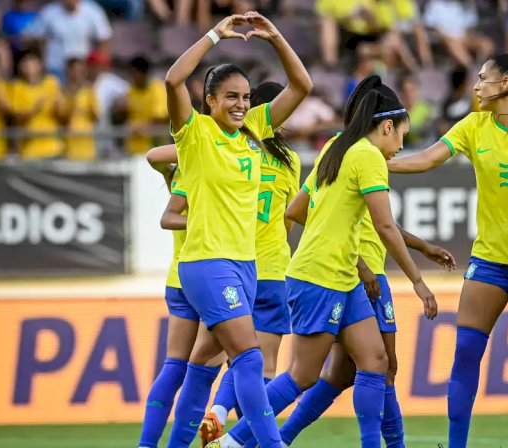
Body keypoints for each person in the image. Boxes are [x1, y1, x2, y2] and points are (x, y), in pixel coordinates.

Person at [208, 77, 438, 448]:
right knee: (302, 375)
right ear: (388, 126)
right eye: (402, 136)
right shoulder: (369, 157)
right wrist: (418, 281)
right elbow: (384, 225)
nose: (400, 146)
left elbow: (297, 208)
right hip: (320, 276)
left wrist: (354, 259)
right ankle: (232, 443)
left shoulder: (337, 146)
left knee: (375, 360)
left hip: (342, 275)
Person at [386, 54, 508, 448]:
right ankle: (456, 445)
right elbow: (427, 159)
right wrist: (376, 160)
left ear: (507, 83)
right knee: (467, 351)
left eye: (482, 78)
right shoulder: (473, 125)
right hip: (489, 256)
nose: (475, 85)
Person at [163, 11, 312, 448]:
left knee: (204, 365)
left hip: (245, 267)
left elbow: (302, 86)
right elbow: (173, 81)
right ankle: (270, 445)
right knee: (248, 358)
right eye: (230, 96)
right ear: (209, 100)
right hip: (208, 263)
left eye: (246, 97)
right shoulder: (194, 134)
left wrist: (275, 37)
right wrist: (214, 34)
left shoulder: (254, 131)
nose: (241, 105)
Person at [197, 81, 302, 446]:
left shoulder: (236, 149)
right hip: (272, 268)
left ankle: (220, 411)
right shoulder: (290, 161)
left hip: (230, 265)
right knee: (264, 366)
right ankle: (241, 439)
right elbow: (290, 218)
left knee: (238, 356)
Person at [137, 151, 200, 448]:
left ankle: (146, 445)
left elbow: (154, 157)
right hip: (210, 278)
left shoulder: (182, 172)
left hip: (177, 278)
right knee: (221, 369)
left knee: (175, 365)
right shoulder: (216, 167)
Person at [7, 50, 63, 159]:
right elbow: (16, 117)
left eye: (33, 62)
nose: (29, 66)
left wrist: (60, 108)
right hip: (29, 150)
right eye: (25, 63)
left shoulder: (52, 83)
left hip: (53, 147)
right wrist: (34, 110)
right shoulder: (16, 87)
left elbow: (60, 114)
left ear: (40, 65)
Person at [58, 57, 98, 160]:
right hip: (68, 148)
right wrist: (72, 96)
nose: (78, 74)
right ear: (69, 72)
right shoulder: (61, 93)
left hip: (87, 148)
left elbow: (96, 116)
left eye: (81, 71)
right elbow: (61, 117)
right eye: (75, 71)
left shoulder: (89, 92)